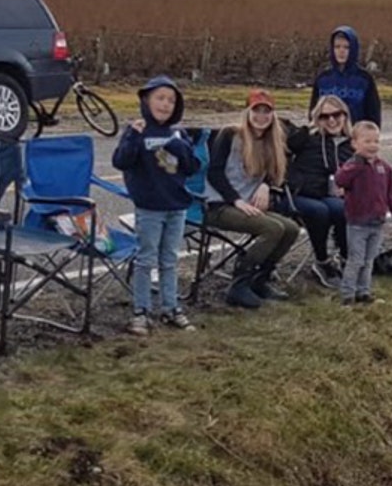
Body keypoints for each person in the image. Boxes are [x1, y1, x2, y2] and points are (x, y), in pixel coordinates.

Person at [111, 75, 200, 336]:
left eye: (171, 100)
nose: (165, 105)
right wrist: (132, 138)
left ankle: (171, 307)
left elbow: (192, 166)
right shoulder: (138, 130)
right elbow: (121, 162)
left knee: (170, 259)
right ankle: (141, 310)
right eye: (160, 98)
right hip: (149, 206)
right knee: (145, 259)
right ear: (146, 101)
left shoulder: (178, 133)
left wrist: (181, 147)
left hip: (176, 205)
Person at [205, 89, 302, 309]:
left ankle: (261, 279)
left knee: (291, 228)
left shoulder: (272, 142)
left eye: (266, 111)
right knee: (273, 229)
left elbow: (277, 171)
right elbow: (214, 172)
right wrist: (235, 200)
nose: (261, 116)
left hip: (248, 205)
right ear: (247, 112)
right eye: (256, 110)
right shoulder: (229, 135)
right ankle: (239, 284)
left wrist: (266, 186)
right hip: (219, 204)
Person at [281, 95, 353, 288]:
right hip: (297, 194)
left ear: (345, 115)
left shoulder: (352, 144)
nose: (331, 120)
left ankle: (348, 260)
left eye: (336, 114)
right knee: (319, 210)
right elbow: (284, 147)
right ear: (317, 119)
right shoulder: (307, 138)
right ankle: (322, 262)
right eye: (324, 116)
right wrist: (306, 130)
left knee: (343, 208)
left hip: (329, 196)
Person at [333, 120, 392, 306]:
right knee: (356, 260)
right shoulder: (352, 166)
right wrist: (356, 163)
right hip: (357, 222)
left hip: (377, 221)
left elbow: (391, 193)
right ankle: (348, 295)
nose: (373, 146)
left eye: (376, 141)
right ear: (355, 144)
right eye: (367, 141)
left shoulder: (384, 168)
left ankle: (364, 292)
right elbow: (339, 180)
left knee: (369, 260)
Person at [309, 25, 382, 128]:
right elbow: (314, 112)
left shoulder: (364, 79)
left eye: (346, 47)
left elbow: (373, 115)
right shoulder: (323, 79)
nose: (341, 51)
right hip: (328, 136)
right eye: (337, 47)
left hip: (355, 136)